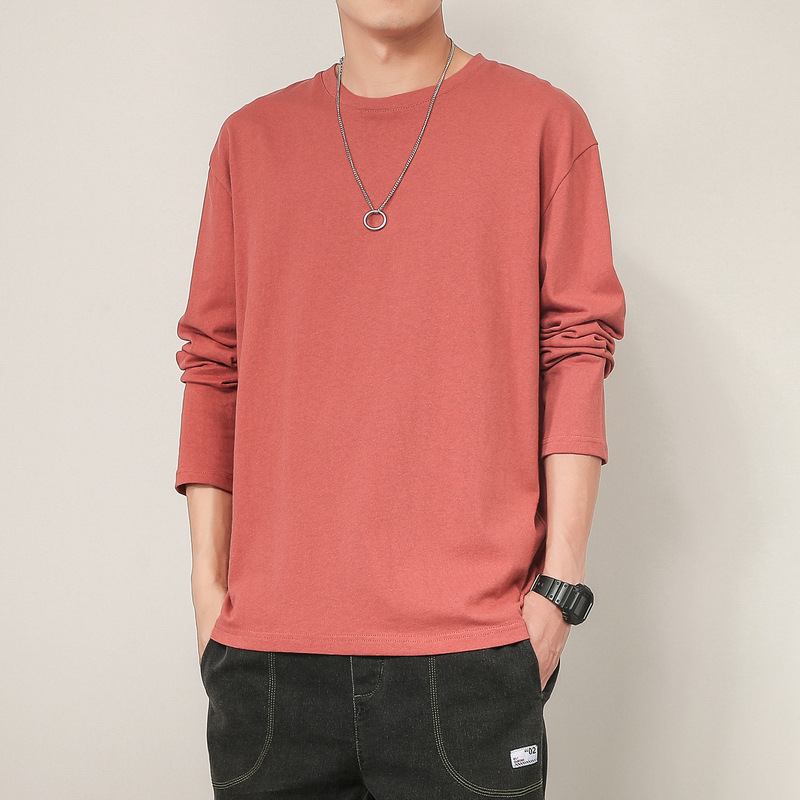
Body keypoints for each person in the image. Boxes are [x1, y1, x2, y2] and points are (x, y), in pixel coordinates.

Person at [174, 2, 626, 798]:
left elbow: (576, 350)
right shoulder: (250, 141)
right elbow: (214, 365)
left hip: (472, 653)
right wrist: (209, 594)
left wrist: (559, 591)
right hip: (269, 660)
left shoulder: (543, 124)